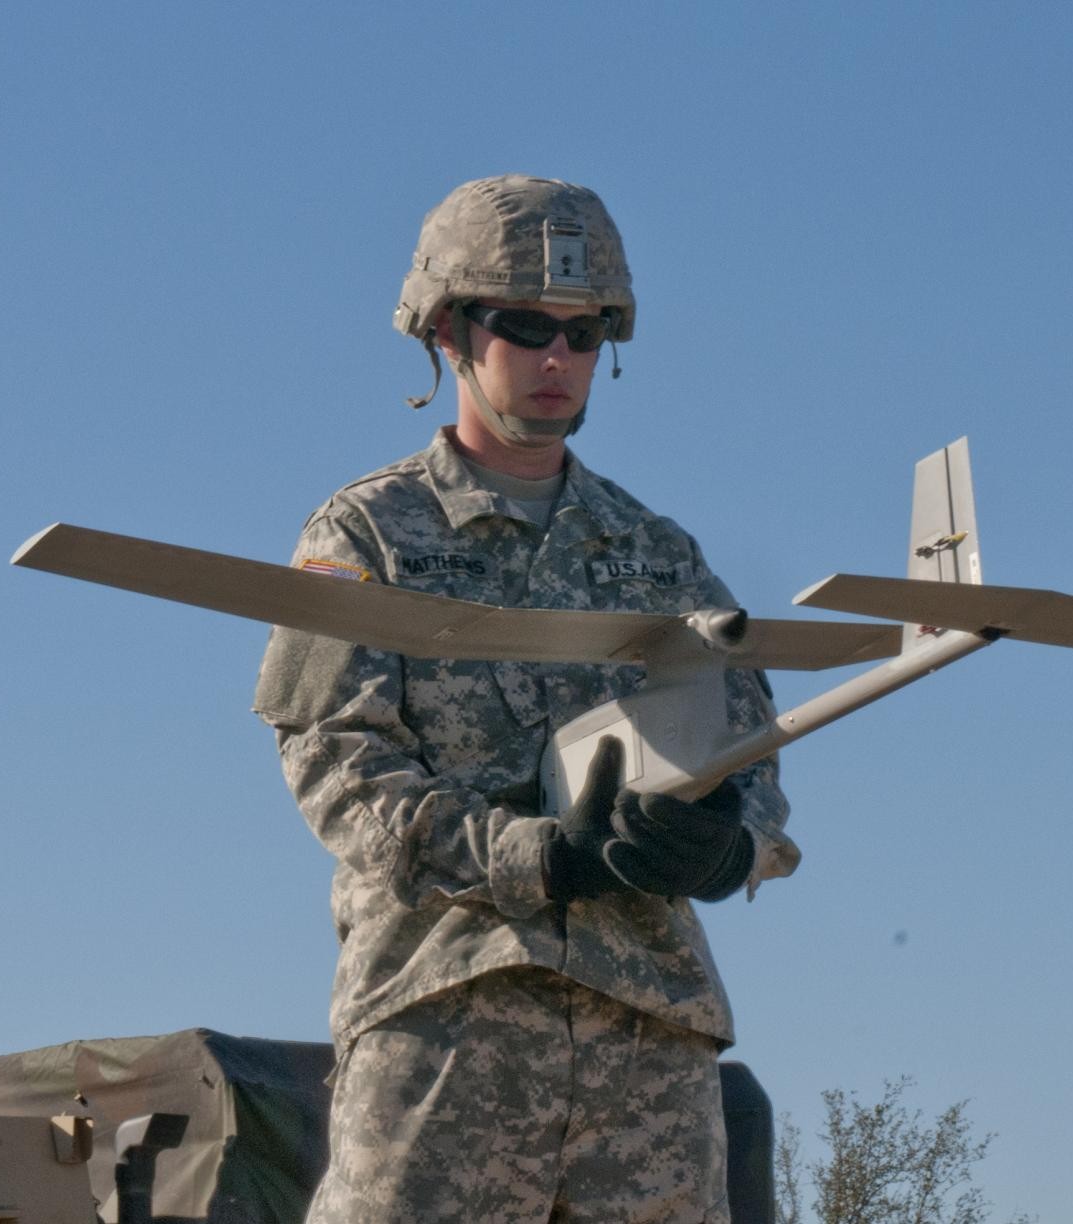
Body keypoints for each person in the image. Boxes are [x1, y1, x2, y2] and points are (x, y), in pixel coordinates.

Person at [253, 174, 796, 1223]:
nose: (558, 359)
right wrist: (530, 855)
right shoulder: (366, 537)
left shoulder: (659, 557)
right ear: (451, 330)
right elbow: (336, 767)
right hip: (452, 1017)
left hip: (650, 1031)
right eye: (526, 327)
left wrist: (732, 847)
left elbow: (754, 751)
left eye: (586, 333)